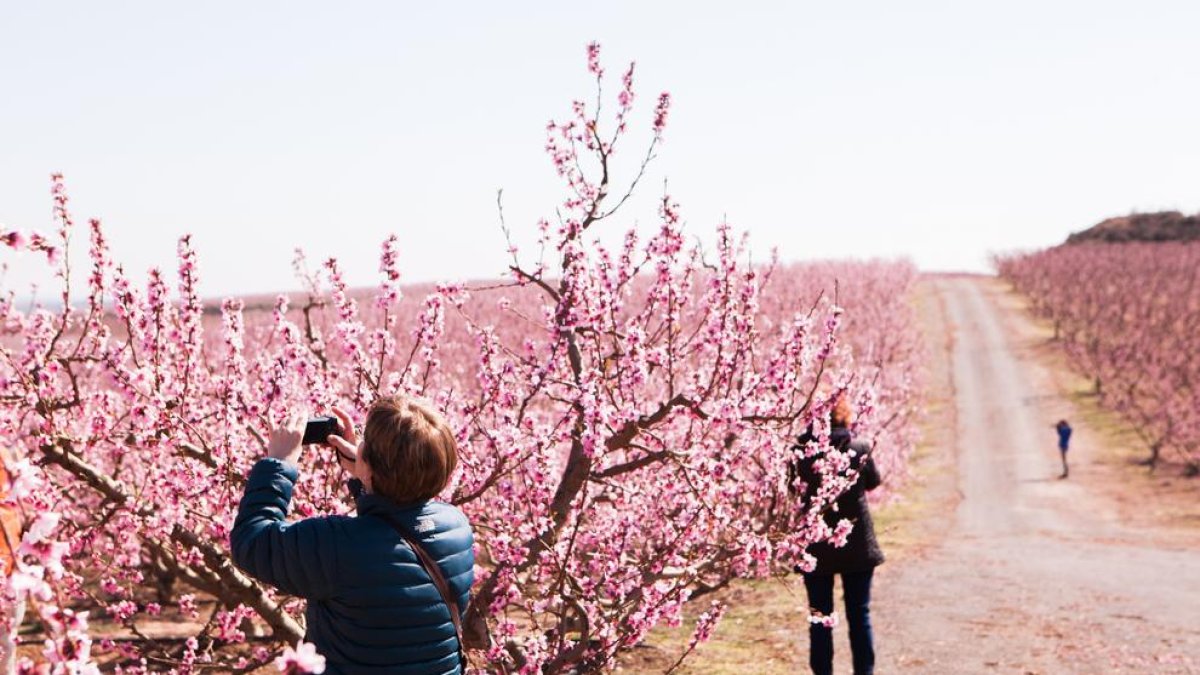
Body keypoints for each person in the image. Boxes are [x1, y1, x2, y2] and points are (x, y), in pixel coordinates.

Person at [231, 395, 474, 675]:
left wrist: (279, 463)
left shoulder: (336, 544)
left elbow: (252, 542)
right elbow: (387, 533)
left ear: (369, 465)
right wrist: (366, 476)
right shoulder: (456, 526)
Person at [792, 397, 884, 675]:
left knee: (819, 617)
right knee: (859, 615)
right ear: (844, 417)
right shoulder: (859, 448)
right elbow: (873, 482)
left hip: (816, 547)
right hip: (856, 543)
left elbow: (791, 489)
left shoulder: (800, 452)